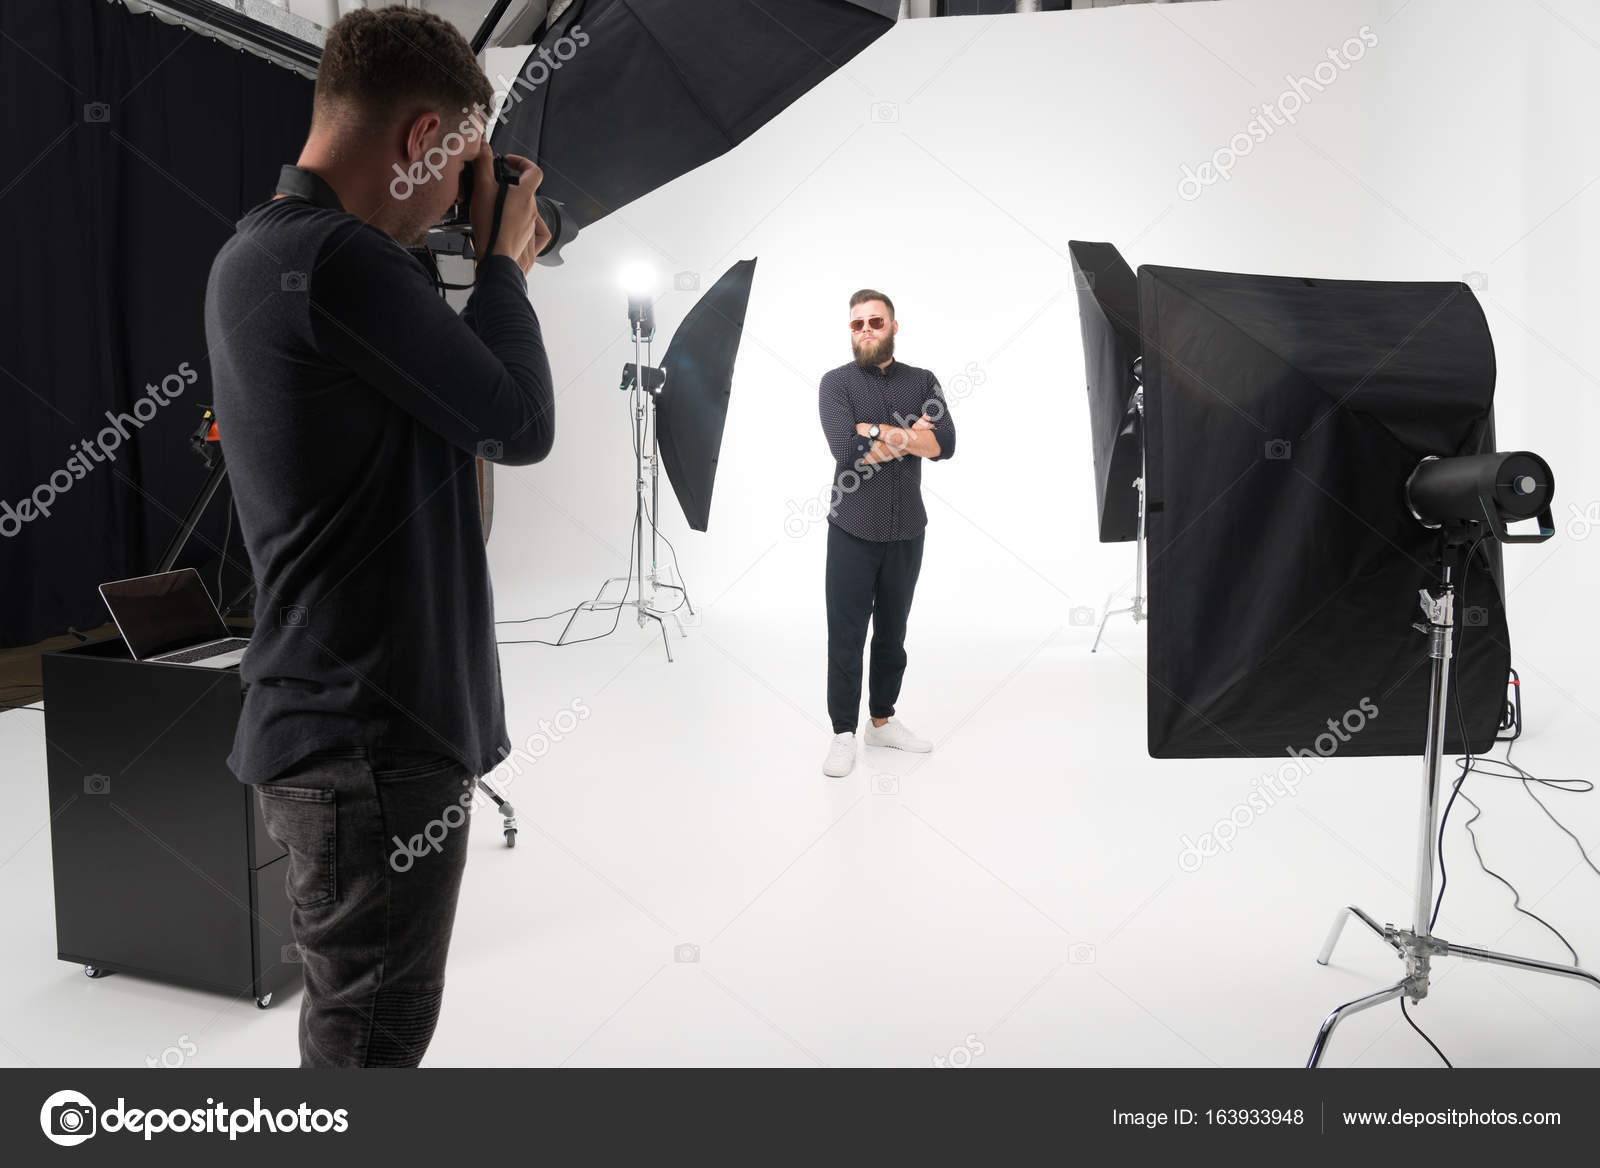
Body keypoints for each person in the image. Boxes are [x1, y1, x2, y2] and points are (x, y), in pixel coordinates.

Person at [204, 7, 554, 1067]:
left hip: (342, 724)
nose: (459, 197)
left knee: (360, 1025)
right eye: (458, 166)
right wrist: (504, 266)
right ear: (418, 140)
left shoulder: (264, 251)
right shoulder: (341, 261)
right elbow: (518, 424)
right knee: (371, 1040)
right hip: (369, 736)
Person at [816, 290, 956, 778]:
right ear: (850, 331)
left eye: (875, 321)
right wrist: (911, 437)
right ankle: (842, 733)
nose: (866, 330)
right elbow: (847, 454)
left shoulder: (922, 380)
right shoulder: (835, 384)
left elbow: (947, 445)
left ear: (894, 326)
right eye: (857, 324)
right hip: (852, 529)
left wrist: (875, 431)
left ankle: (881, 721)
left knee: (893, 635)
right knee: (847, 635)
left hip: (906, 531)